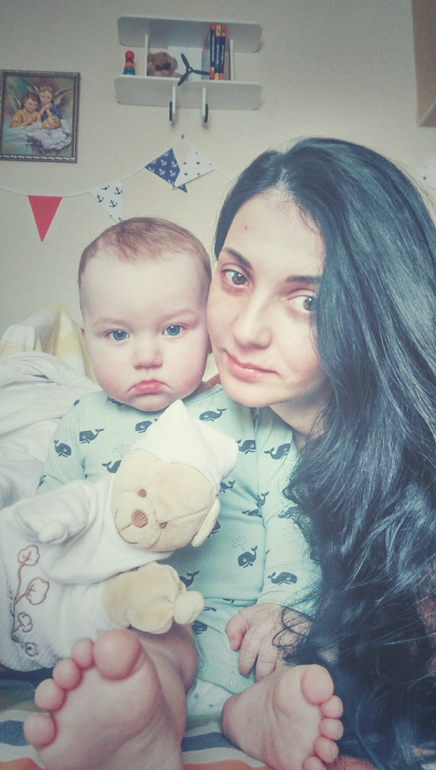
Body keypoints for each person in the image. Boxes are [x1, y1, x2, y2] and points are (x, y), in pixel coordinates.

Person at [24, 214, 341, 770]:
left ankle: (257, 714)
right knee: (141, 656)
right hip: (143, 628)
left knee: (287, 668)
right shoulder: (79, 420)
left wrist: (283, 606)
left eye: (173, 330)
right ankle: (147, 724)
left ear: (209, 326)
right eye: (117, 335)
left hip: (245, 629)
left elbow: (291, 515)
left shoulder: (250, 413)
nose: (146, 356)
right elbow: (48, 524)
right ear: (85, 336)